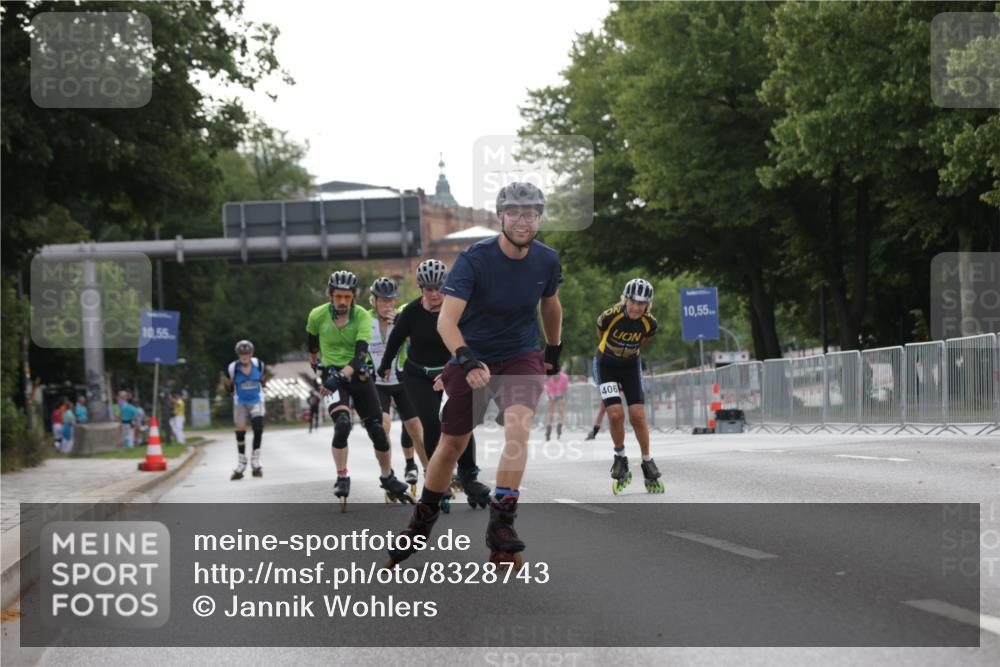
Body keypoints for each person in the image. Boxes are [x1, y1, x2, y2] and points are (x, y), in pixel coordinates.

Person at [387, 182, 563, 567]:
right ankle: (421, 521)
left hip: (521, 355)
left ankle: (502, 523)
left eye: (530, 214)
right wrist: (466, 360)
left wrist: (553, 349)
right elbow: (447, 321)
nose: (522, 221)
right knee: (451, 443)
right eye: (514, 213)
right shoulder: (473, 259)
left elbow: (551, 305)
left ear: (539, 219)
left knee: (518, 427)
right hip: (471, 354)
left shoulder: (547, 260)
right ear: (500, 216)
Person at [377, 259, 491, 511]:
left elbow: (473, 338)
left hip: (452, 372)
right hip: (419, 375)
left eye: (440, 288)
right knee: (430, 422)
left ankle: (469, 476)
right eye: (429, 289)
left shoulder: (458, 309)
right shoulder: (412, 312)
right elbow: (396, 339)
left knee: (461, 422)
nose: (435, 294)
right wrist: (385, 365)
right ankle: (438, 478)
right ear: (421, 290)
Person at [307, 270, 412, 510]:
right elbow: (312, 340)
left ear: (354, 297)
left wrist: (338, 377)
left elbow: (361, 355)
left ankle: (387, 476)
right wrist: (315, 361)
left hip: (357, 373)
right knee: (342, 422)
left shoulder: (363, 316)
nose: (343, 302)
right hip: (331, 373)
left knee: (377, 429)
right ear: (331, 296)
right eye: (338, 297)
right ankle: (342, 475)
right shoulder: (317, 315)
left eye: (347, 297)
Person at [596, 278, 663, 494]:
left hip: (631, 365)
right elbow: (601, 333)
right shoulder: (610, 315)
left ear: (648, 305)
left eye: (641, 304)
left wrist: (627, 353)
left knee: (637, 415)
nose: (636, 307)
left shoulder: (650, 323)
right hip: (606, 364)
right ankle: (621, 457)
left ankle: (647, 460)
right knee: (615, 414)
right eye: (632, 302)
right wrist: (614, 351)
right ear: (625, 300)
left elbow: (644, 341)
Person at [367, 277, 427, 493]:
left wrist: (401, 321)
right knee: (382, 427)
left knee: (416, 429)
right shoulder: (365, 320)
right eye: (383, 301)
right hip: (377, 383)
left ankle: (429, 472)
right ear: (373, 301)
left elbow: (418, 319)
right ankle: (388, 474)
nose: (387, 306)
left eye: (390, 301)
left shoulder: (402, 314)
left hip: (402, 380)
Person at [224, 340, 268, 479]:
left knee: (258, 428)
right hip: (240, 402)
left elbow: (262, 381)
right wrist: (229, 387)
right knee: (240, 432)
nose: (244, 356)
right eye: (242, 354)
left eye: (247, 353)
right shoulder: (232, 367)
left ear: (251, 354)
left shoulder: (258, 365)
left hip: (256, 400)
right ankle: (242, 461)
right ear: (238, 354)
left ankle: (255, 459)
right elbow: (229, 387)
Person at [544, 370, 569, 441]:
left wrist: (561, 395)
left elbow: (565, 387)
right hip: (551, 394)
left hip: (560, 394)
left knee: (561, 411)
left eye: (557, 375)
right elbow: (548, 389)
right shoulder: (549, 378)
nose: (556, 377)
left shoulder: (564, 377)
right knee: (550, 413)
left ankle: (559, 425)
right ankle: (548, 429)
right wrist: (551, 396)